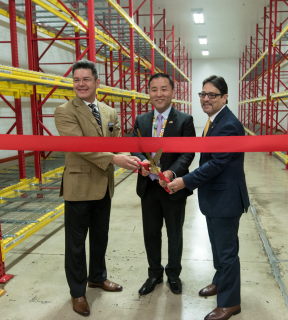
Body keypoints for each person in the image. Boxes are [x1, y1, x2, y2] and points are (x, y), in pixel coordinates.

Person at [54, 59, 140, 317]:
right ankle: (78, 291)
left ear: (96, 82)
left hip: (104, 186)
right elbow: (79, 146)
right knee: (76, 243)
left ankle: (97, 277)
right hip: (79, 186)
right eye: (76, 80)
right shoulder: (64, 111)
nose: (81, 84)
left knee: (100, 238)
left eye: (86, 79)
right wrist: (115, 159)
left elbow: (116, 144)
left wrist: (132, 159)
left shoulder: (109, 111)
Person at [167, 75, 250, 320]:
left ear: (225, 97)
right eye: (203, 94)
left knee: (226, 251)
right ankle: (220, 280)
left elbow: (215, 164)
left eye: (212, 95)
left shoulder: (228, 125)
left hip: (226, 199)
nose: (206, 99)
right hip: (215, 198)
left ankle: (230, 302)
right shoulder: (214, 120)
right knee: (217, 246)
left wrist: (184, 181)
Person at [131, 73, 196, 296]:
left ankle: (174, 274)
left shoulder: (184, 120)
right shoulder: (141, 120)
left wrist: (171, 171)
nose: (159, 94)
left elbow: (188, 152)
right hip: (148, 187)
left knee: (174, 233)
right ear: (148, 93)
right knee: (151, 232)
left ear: (173, 92)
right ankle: (154, 274)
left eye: (164, 89)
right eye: (154, 89)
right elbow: (134, 146)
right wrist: (141, 162)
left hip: (173, 187)